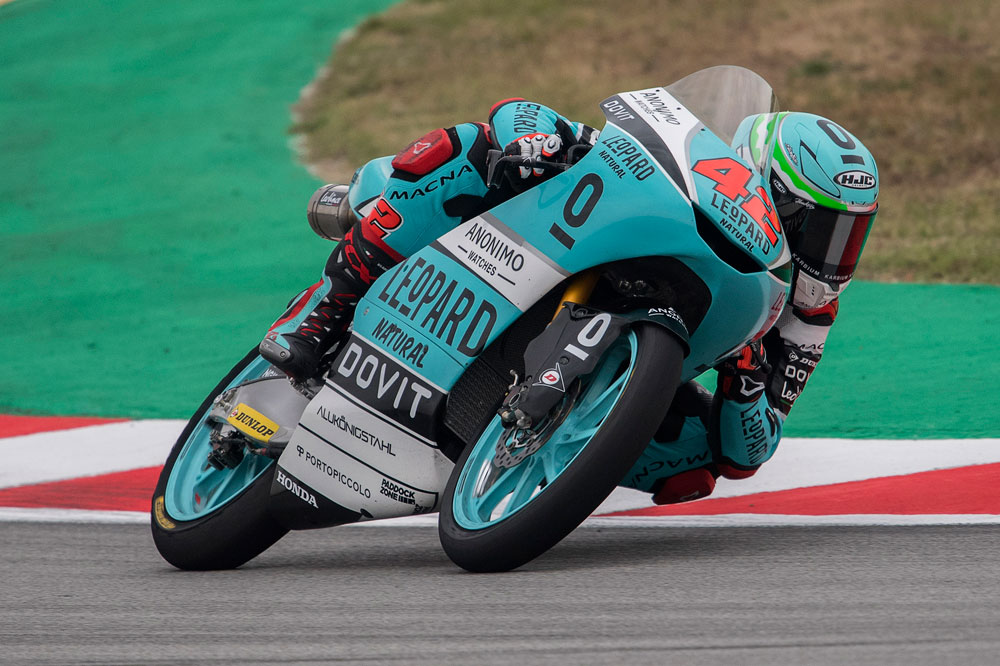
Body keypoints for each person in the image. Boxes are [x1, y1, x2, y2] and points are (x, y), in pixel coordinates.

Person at [259, 100, 879, 506]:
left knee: (696, 462)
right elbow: (524, 113)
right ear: (759, 176)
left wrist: (747, 376)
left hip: (654, 344)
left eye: (849, 236)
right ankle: (324, 308)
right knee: (473, 146)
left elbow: (752, 452)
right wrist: (539, 140)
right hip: (517, 243)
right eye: (820, 229)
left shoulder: (807, 315)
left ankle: (550, 465)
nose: (830, 255)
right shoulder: (694, 174)